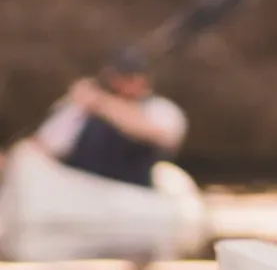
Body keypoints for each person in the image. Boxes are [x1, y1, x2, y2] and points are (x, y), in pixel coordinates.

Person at [32, 50, 188, 188]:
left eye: (131, 77)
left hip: (132, 190)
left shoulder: (161, 109)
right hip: (81, 186)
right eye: (120, 76)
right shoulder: (83, 105)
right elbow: (48, 143)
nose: (123, 83)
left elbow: (161, 136)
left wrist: (101, 103)